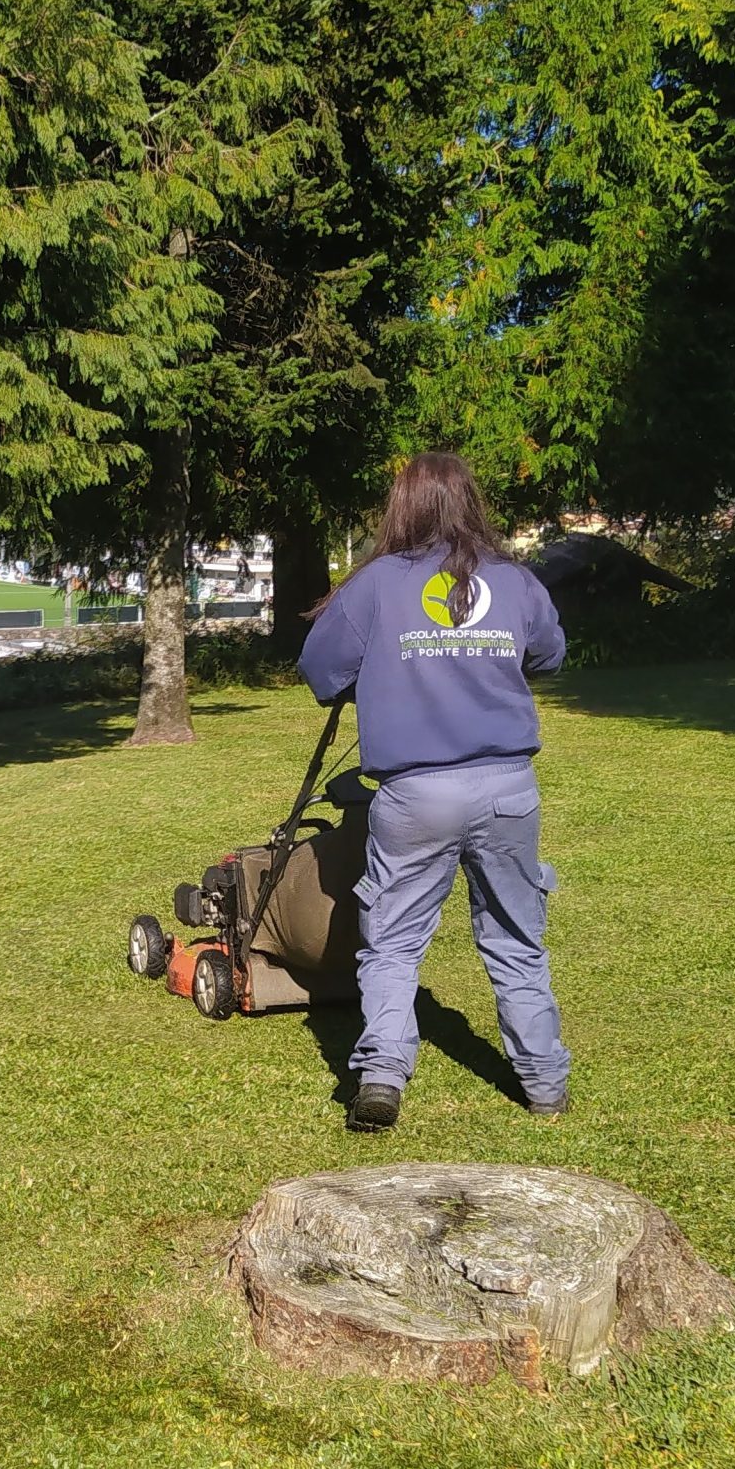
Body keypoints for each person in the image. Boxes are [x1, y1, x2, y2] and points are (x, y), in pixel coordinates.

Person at [297, 453, 570, 1133]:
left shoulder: (377, 584)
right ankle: (545, 1086)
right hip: (509, 787)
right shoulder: (513, 579)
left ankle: (382, 1077)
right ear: (469, 501)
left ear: (404, 506)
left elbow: (320, 668)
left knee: (392, 942)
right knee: (516, 940)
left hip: (414, 794)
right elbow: (550, 653)